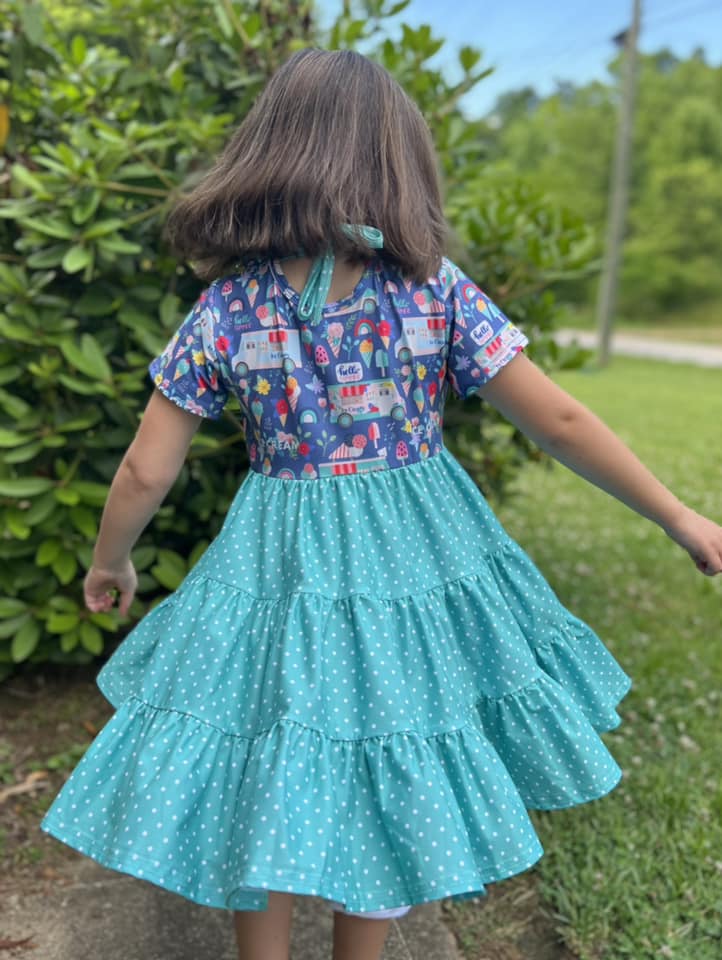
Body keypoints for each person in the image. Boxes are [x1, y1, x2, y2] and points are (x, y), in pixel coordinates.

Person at [40, 48, 722, 960]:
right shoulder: (433, 290)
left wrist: (110, 559)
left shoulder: (227, 306)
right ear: (396, 161)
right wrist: (680, 516)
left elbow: (142, 472)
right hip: (416, 556)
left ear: (267, 156)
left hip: (281, 553)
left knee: (275, 737)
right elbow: (556, 420)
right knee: (387, 743)